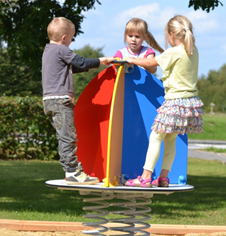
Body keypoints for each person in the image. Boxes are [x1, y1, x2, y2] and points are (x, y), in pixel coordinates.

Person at [125, 15, 204, 187]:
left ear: (171, 35)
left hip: (175, 102)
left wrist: (131, 59)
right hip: (190, 103)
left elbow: (151, 62)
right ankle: (164, 177)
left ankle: (145, 177)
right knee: (171, 139)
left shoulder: (174, 52)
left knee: (155, 136)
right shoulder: (193, 50)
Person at [42, 17, 114, 185]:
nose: (71, 42)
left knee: (63, 136)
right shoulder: (61, 49)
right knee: (68, 137)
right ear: (64, 38)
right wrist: (101, 61)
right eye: (72, 38)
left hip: (50, 101)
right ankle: (73, 172)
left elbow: (72, 68)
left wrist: (93, 66)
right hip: (61, 101)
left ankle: (70, 170)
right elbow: (79, 61)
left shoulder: (48, 51)